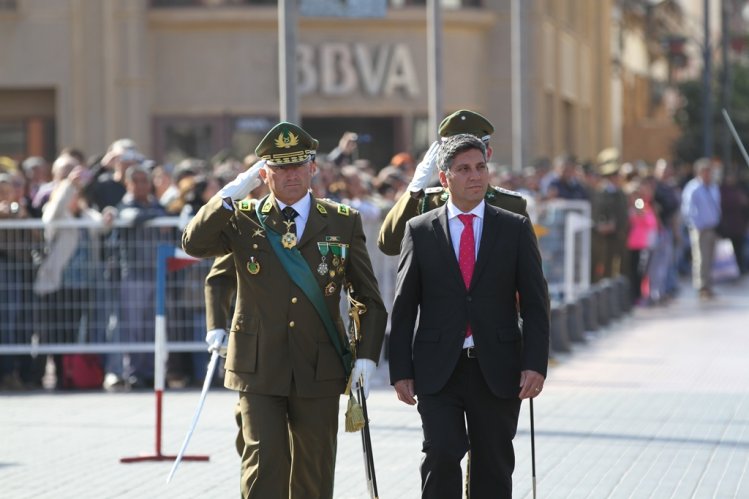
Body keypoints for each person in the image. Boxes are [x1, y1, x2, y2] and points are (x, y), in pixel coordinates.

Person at [182, 121, 387, 498]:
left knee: (313, 471)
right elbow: (194, 244)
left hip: (319, 362)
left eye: (298, 165)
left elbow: (367, 296)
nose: (290, 175)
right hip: (258, 363)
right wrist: (229, 194)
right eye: (279, 167)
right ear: (265, 173)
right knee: (264, 468)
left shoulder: (342, 221)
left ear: (313, 168)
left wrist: (368, 358)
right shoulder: (243, 217)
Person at [388, 134, 549, 498]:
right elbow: (404, 305)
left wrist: (535, 364)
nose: (475, 176)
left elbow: (537, 304)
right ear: (444, 179)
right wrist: (400, 370)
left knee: (492, 465)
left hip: (498, 367)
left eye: (480, 167)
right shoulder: (420, 230)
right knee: (442, 454)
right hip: (438, 368)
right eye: (463, 169)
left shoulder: (514, 227)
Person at [377, 109, 530, 257]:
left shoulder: (511, 206)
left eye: (475, 151)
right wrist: (413, 191)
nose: (472, 173)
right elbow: (390, 245)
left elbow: (527, 271)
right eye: (458, 154)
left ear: (488, 154)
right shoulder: (427, 204)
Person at [681, 158, 722, 299]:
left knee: (710, 258)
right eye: (706, 171)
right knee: (701, 258)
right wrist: (696, 225)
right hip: (699, 229)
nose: (709, 174)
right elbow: (687, 210)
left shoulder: (713, 186)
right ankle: (701, 287)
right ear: (700, 172)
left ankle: (709, 285)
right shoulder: (693, 188)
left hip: (712, 227)